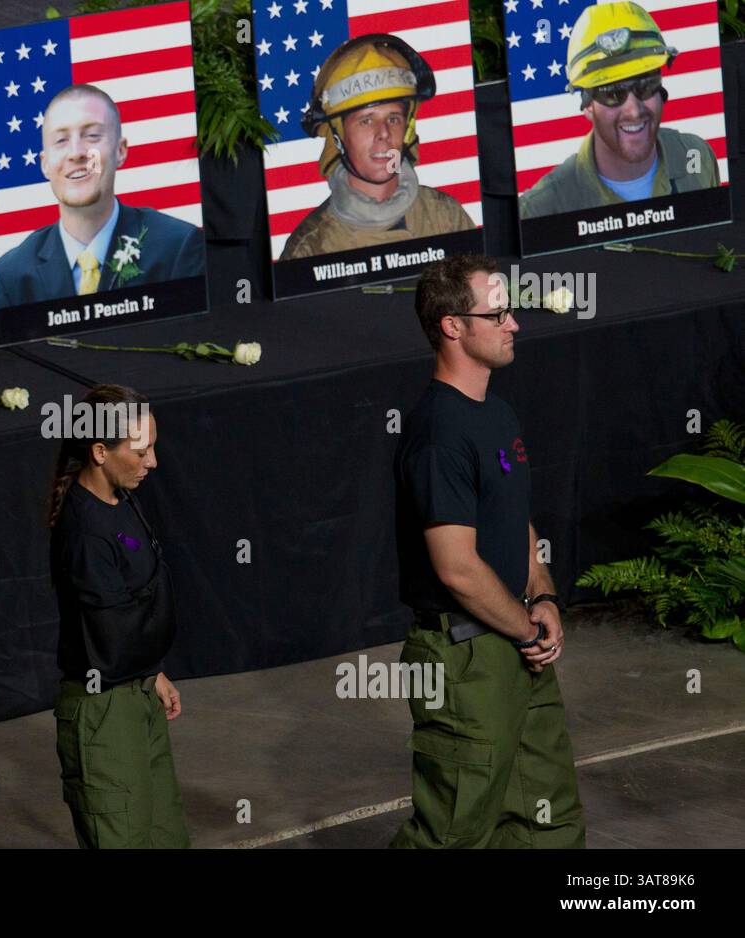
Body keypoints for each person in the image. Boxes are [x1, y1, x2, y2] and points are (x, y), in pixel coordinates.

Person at [390, 253, 586, 848]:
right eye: (496, 313)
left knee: (547, 819)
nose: (513, 324)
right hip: (464, 660)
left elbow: (511, 520)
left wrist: (544, 595)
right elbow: (457, 566)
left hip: (515, 645)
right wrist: (525, 630)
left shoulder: (496, 414)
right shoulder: (437, 433)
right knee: (455, 831)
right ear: (453, 325)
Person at [46, 384, 189, 849]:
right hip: (105, 712)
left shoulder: (118, 500)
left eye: (153, 448)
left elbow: (132, 605)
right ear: (101, 451)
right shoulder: (85, 534)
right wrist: (143, 666)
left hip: (136, 692)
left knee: (166, 836)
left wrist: (154, 672)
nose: (152, 463)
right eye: (142, 451)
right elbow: (113, 635)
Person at [0, 85, 204, 308]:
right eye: (61, 140)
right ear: (44, 164)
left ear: (120, 151)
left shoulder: (178, 248)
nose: (76, 153)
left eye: (92, 136)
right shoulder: (9, 279)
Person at [280, 34, 474, 260]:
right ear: (338, 136)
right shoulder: (311, 247)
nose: (383, 134)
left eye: (393, 119)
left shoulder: (446, 217)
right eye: (366, 121)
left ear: (407, 130)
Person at [518, 1, 718, 219]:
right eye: (612, 93)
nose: (633, 110)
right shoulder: (540, 210)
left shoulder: (695, 156)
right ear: (587, 106)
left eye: (645, 85)